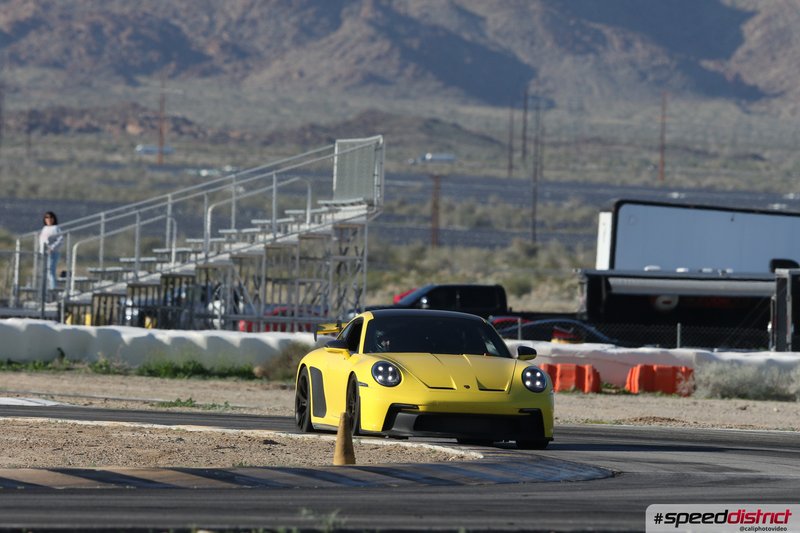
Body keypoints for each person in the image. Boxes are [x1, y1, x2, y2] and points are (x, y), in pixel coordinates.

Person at [38, 211, 63, 292]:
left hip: (52, 253)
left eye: (50, 217)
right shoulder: (44, 228)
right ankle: (45, 290)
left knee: (50, 271)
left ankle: (53, 289)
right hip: (43, 253)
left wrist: (52, 248)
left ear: (53, 218)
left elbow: (60, 239)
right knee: (44, 272)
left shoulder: (56, 228)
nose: (48, 219)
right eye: (46, 217)